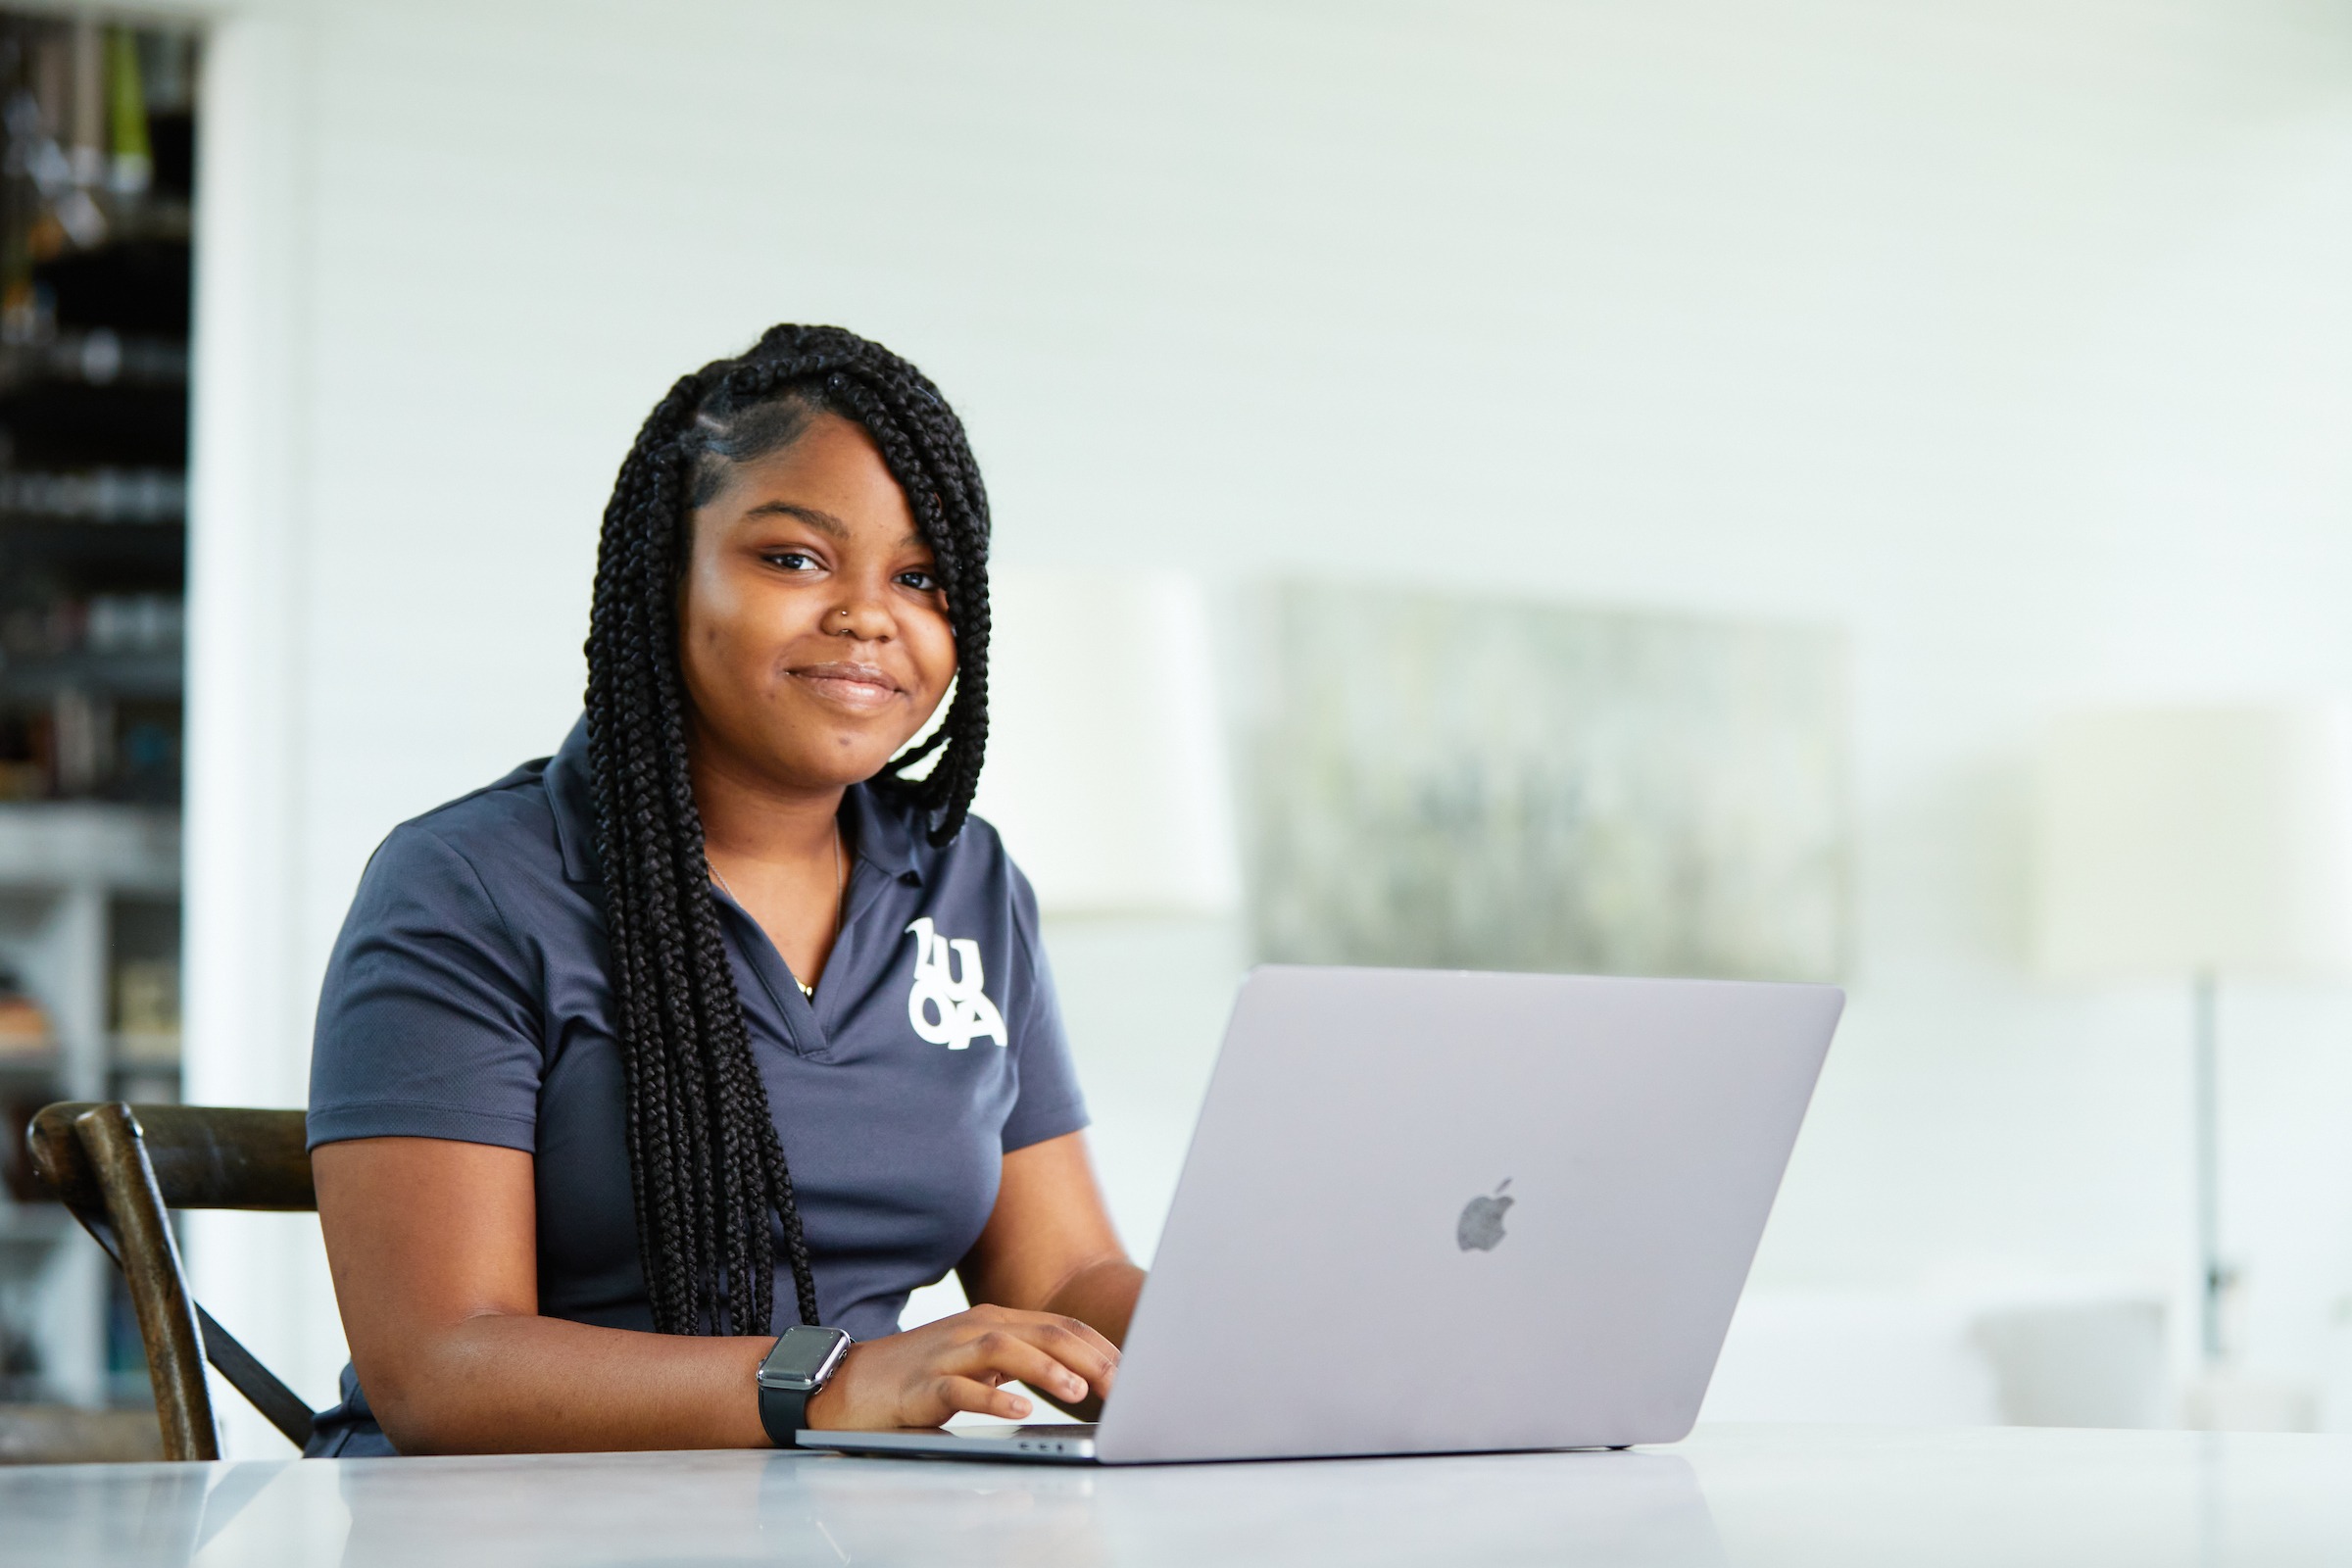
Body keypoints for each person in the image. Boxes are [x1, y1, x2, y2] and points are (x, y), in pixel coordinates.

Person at [304, 325, 1139, 1455]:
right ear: (666, 572)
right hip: (505, 1529)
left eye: (920, 577)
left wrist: (1263, 1339)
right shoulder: (470, 885)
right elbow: (440, 1365)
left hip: (836, 1523)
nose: (867, 615)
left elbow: (1067, 1274)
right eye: (795, 558)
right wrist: (831, 1381)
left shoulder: (967, 879)